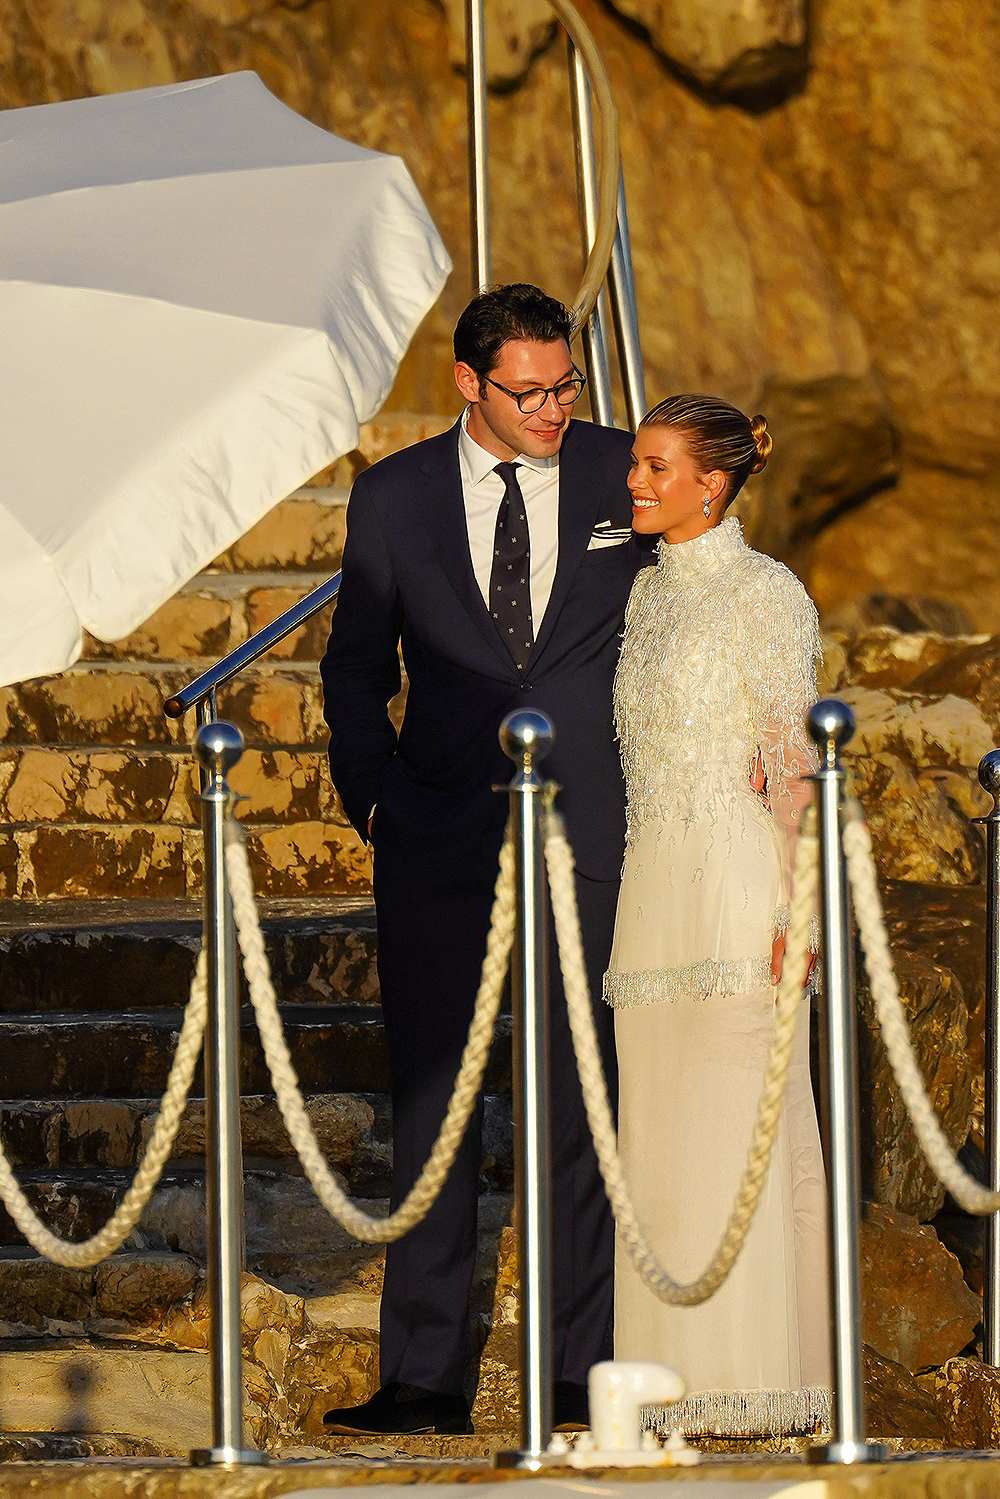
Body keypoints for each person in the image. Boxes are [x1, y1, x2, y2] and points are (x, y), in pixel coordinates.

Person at [320, 283, 649, 1436]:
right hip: (437, 835)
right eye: (529, 391)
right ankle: (421, 1377)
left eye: (564, 384)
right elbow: (356, 664)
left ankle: (577, 1371)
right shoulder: (394, 494)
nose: (556, 406)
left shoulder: (624, 470)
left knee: (584, 1100)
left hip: (596, 834)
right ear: (468, 383)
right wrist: (376, 800)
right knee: (432, 1101)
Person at [605, 394, 831, 1437]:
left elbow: (793, 765)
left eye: (657, 465)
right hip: (650, 886)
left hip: (741, 886)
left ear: (714, 482)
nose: (636, 480)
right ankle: (663, 1387)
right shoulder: (645, 596)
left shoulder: (767, 593)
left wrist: (802, 905)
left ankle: (756, 1383)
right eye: (638, 464)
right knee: (655, 1140)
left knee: (738, 1132)